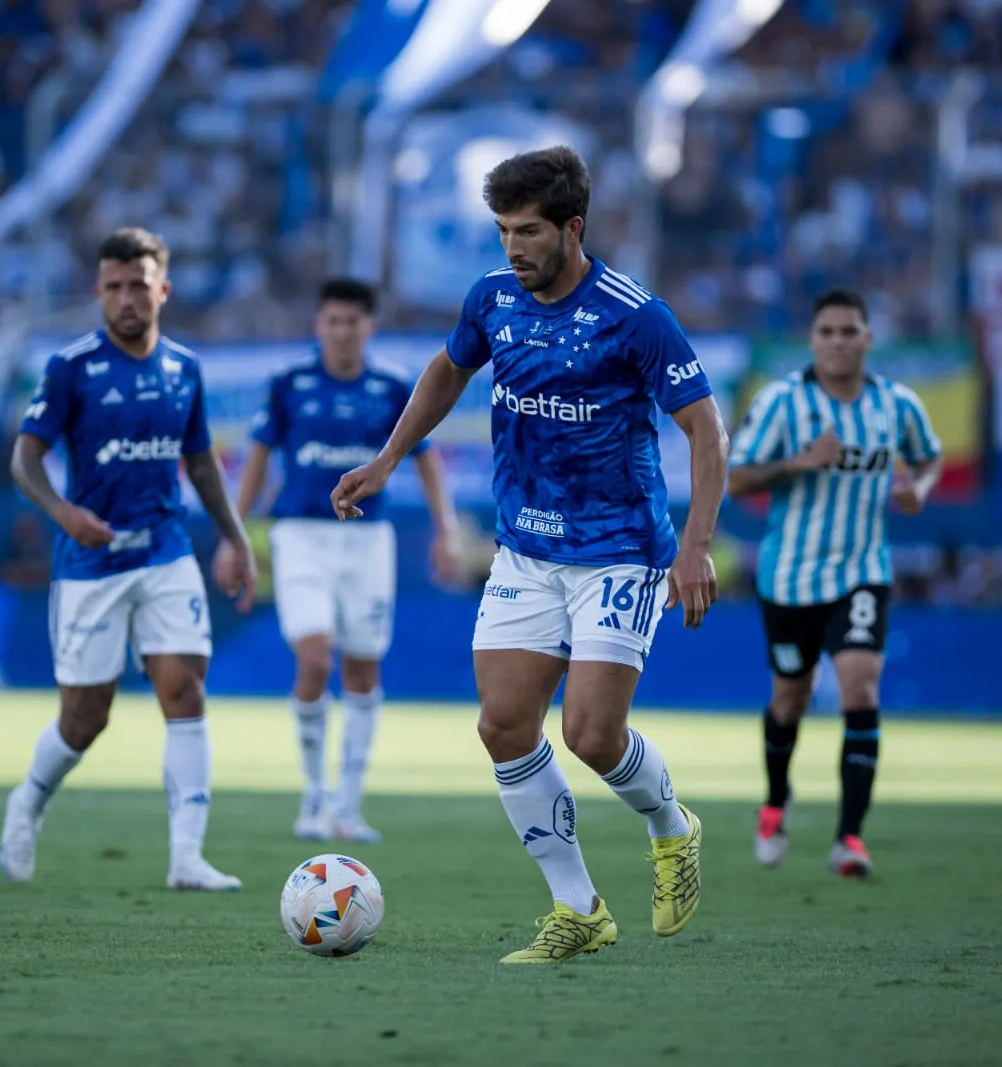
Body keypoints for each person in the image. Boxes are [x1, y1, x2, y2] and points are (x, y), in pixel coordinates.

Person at [330, 146, 728, 963]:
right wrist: (388, 457)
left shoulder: (634, 314)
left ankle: (670, 824)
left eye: (529, 231)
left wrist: (696, 547)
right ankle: (577, 907)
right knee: (504, 724)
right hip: (525, 551)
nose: (514, 247)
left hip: (620, 550)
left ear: (572, 228)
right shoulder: (492, 299)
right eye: (504, 230)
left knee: (589, 733)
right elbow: (447, 369)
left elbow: (704, 429)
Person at [0, 227, 257, 891]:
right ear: (97, 292)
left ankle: (186, 856)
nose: (125, 298)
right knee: (87, 717)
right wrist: (62, 513)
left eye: (137, 285)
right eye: (112, 287)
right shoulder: (70, 368)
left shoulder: (183, 369)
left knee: (183, 689)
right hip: (92, 561)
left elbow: (199, 461)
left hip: (165, 551)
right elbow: (24, 458)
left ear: (162, 289)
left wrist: (234, 537)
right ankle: (27, 801)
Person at [228, 278, 465, 843]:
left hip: (367, 538)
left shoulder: (390, 387)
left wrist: (446, 531)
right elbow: (257, 459)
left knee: (363, 666)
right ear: (319, 326)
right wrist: (233, 534)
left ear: (368, 327)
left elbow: (426, 460)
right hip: (301, 534)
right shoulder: (290, 386)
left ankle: (348, 807)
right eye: (331, 320)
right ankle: (314, 797)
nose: (341, 331)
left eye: (351, 321)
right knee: (313, 660)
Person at [726, 288, 942, 878]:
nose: (839, 342)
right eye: (827, 332)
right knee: (789, 700)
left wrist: (917, 491)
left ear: (868, 339)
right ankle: (775, 801)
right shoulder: (782, 403)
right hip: (790, 576)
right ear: (813, 340)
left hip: (863, 569)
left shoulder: (896, 405)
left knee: (860, 688)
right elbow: (737, 480)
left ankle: (849, 838)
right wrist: (798, 462)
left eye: (850, 331)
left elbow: (928, 458)